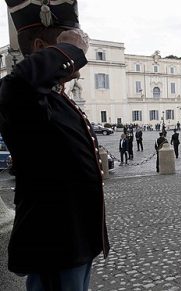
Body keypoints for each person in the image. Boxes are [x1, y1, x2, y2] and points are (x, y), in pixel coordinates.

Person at [0, 1, 109, 289]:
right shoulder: (24, 98)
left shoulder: (53, 99)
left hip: (76, 241)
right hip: (54, 245)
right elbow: (18, 82)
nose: (77, 59)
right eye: (66, 46)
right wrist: (71, 48)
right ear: (40, 47)